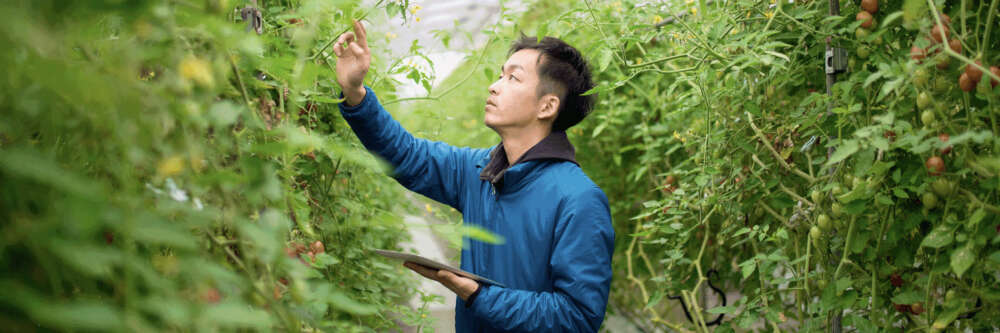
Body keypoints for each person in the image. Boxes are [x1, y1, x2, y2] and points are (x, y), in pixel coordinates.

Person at [333, 20, 614, 332]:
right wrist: (355, 93)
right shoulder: (481, 172)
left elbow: (576, 317)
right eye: (500, 74)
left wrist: (478, 295)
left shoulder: (578, 200)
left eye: (513, 78)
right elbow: (408, 156)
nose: (494, 85)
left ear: (547, 106)